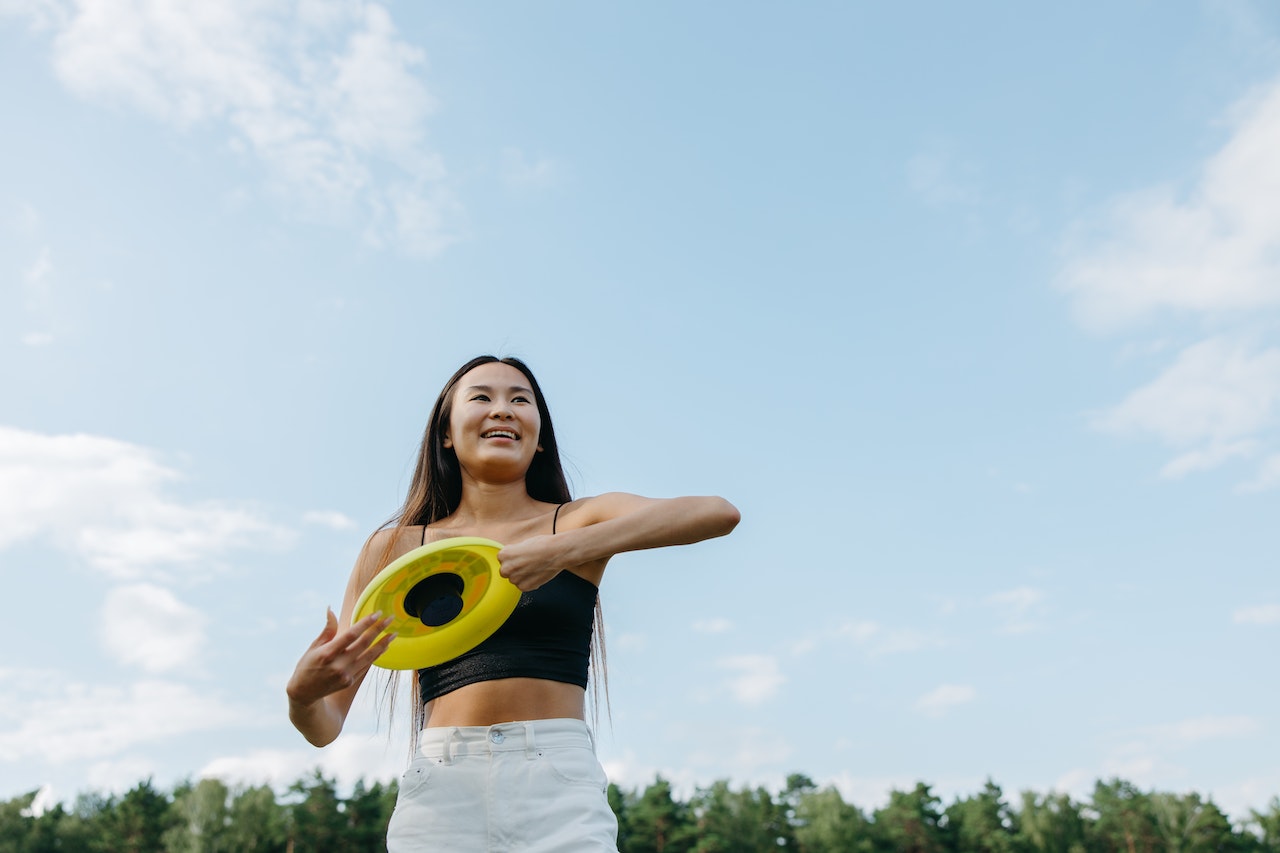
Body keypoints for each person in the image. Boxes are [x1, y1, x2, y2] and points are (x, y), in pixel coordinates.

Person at [286, 355, 740, 852]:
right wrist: (302, 697)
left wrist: (566, 549)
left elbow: (715, 513)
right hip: (440, 793)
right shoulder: (393, 550)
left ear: (539, 435)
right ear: (446, 432)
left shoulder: (578, 522)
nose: (502, 409)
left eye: (520, 400)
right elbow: (325, 726)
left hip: (559, 791)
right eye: (481, 397)